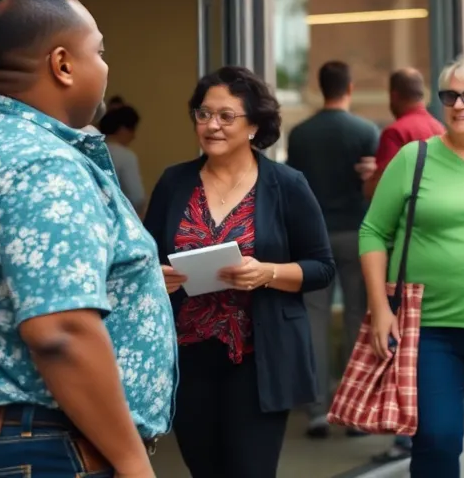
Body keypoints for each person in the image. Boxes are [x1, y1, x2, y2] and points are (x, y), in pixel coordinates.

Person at [0, 0, 174, 478]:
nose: (104, 65)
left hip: (0, 441)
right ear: (62, 64)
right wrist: (133, 464)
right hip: (46, 447)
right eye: (98, 51)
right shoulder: (43, 163)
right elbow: (60, 331)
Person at [143, 66, 335, 478]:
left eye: (226, 116)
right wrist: (155, 277)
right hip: (189, 359)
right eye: (203, 114)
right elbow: (146, 259)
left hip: (259, 360)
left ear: (254, 126)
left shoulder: (286, 184)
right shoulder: (174, 182)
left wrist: (268, 272)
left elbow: (321, 267)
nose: (212, 125)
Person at [359, 56, 464, 478]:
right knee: (436, 439)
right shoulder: (414, 158)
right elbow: (373, 232)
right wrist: (380, 308)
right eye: (450, 95)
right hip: (428, 327)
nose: (459, 104)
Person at [285, 61, 380, 438]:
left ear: (319, 87)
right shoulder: (365, 131)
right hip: (356, 232)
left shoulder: (301, 134)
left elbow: (294, 185)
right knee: (358, 316)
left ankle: (317, 410)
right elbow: (372, 183)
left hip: (313, 236)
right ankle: (355, 409)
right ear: (350, 87)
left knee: (315, 319)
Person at [363, 67, 445, 464]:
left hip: (404, 254)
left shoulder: (396, 133)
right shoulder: (436, 126)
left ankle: (403, 435)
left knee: (401, 360)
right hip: (435, 261)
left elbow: (379, 196)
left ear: (395, 94)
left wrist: (368, 177)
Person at [364, 68, 445, 200]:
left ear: (394, 96)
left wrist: (368, 181)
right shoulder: (439, 128)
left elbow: (381, 189)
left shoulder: (395, 132)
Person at [100, 102, 147, 214]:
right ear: (123, 129)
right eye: (132, 130)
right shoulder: (125, 156)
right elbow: (137, 197)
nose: (134, 136)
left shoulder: (89, 151)